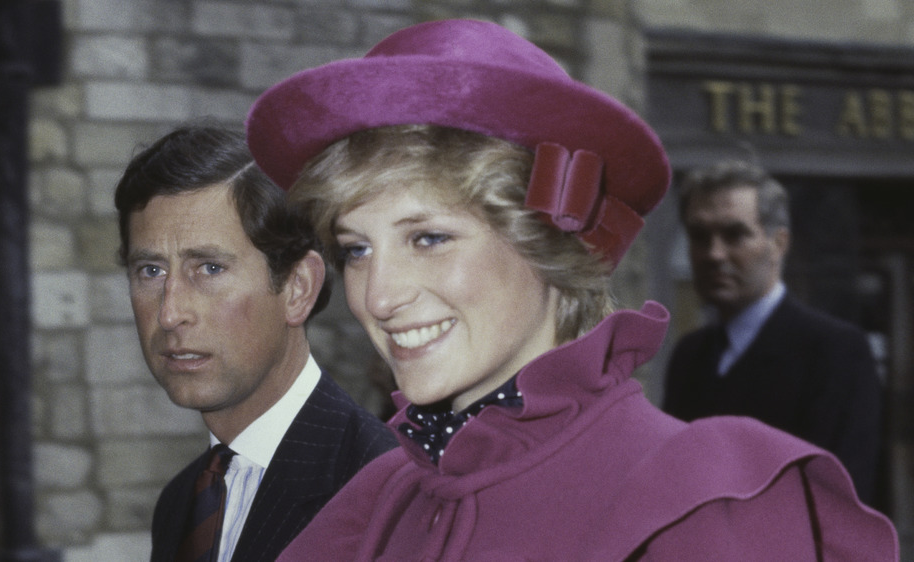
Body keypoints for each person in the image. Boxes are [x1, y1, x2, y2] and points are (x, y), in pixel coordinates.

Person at [246, 19, 898, 561]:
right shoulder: (373, 505)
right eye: (356, 249)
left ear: (549, 247)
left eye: (428, 238)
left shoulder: (704, 501)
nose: (378, 296)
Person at [113, 125, 397, 562]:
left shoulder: (384, 489)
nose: (170, 313)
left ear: (298, 288)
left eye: (209, 269)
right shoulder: (180, 503)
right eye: (150, 271)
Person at [662, 159, 884, 504]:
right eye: (699, 236)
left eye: (735, 234)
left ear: (778, 244)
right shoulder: (690, 355)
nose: (713, 254)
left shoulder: (835, 351)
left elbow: (840, 504)